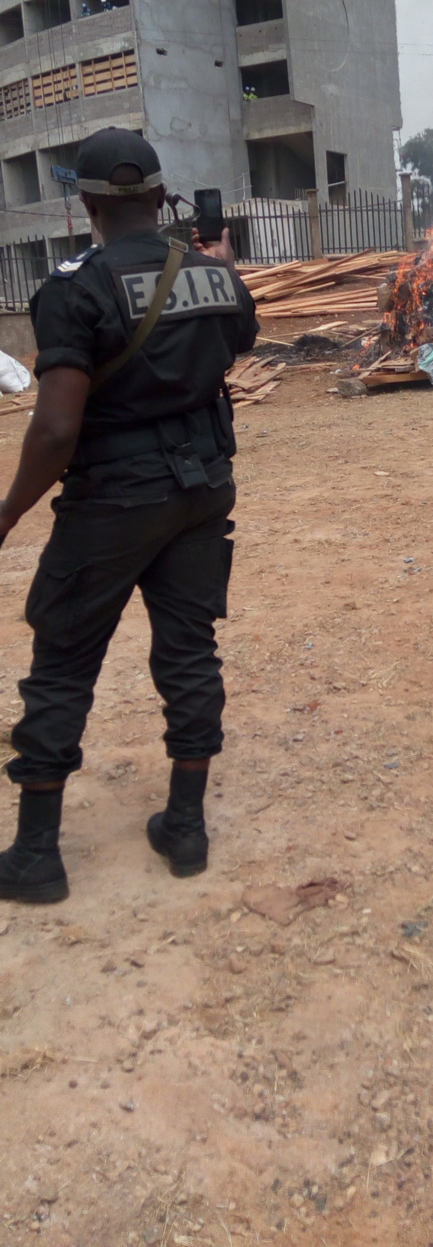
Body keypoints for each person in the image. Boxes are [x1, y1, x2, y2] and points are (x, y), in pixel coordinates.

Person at [0, 127, 258, 904]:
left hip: (114, 502)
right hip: (202, 491)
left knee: (63, 665)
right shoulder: (216, 279)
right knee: (188, 654)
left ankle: (37, 856)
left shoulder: (73, 289)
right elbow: (235, 337)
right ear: (158, 196)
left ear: (86, 203)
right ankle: (185, 825)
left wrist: (8, 512)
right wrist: (217, 264)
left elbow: (54, 428)